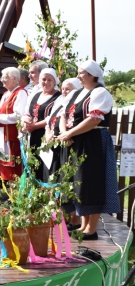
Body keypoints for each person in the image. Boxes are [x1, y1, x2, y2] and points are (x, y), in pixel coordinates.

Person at [56, 61, 117, 240]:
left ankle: (91, 229)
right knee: (78, 183)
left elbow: (94, 120)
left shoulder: (100, 93)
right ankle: (83, 225)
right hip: (75, 140)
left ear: (92, 75)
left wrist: (69, 134)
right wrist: (65, 133)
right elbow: (63, 115)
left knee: (91, 183)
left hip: (93, 141)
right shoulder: (76, 93)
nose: (79, 76)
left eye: (82, 73)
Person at [44, 77, 81, 228]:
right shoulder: (60, 103)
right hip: (55, 147)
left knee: (70, 182)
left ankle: (75, 219)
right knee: (58, 182)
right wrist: (48, 135)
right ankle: (62, 216)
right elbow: (48, 123)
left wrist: (64, 135)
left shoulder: (76, 105)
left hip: (68, 146)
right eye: (63, 88)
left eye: (69, 89)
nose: (65, 92)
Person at [0, 67, 28, 187]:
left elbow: (18, 115)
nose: (2, 80)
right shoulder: (6, 93)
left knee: (12, 166)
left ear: (14, 78)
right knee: (3, 165)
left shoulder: (20, 93)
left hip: (12, 136)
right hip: (0, 135)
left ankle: (15, 195)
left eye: (5, 77)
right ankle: (9, 193)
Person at [21, 68, 60, 179]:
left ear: (54, 81)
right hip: (32, 134)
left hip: (46, 134)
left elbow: (52, 117)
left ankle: (45, 192)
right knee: (31, 163)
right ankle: (32, 192)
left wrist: (34, 126)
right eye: (43, 79)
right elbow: (27, 113)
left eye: (49, 80)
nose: (46, 82)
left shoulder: (59, 97)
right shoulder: (35, 95)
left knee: (45, 165)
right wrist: (26, 122)